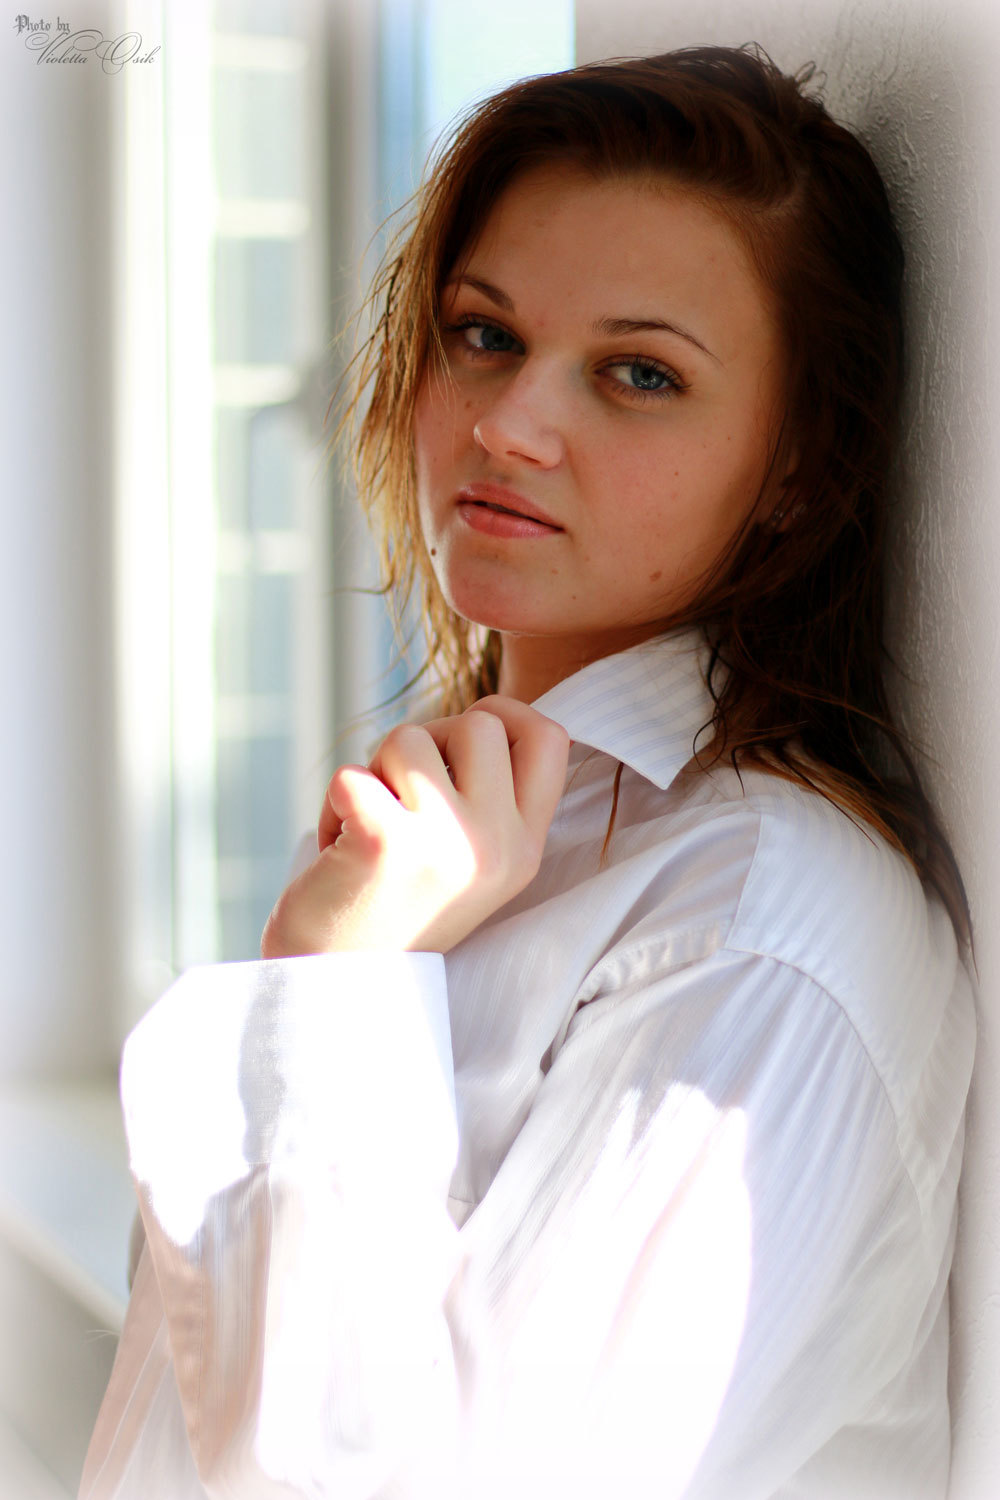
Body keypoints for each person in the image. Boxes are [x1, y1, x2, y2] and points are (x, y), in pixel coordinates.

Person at [80, 44, 976, 1500]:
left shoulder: (762, 925)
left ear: (799, 463)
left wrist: (335, 979)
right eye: (485, 334)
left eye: (640, 374)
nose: (505, 424)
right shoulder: (444, 836)